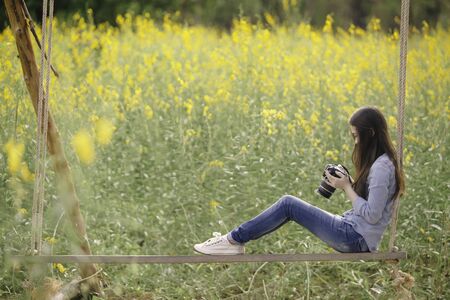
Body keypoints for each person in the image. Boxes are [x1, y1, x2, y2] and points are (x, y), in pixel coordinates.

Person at [194, 106, 405, 255]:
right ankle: (234, 240)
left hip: (355, 237)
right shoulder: (381, 163)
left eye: (357, 136)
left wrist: (347, 188)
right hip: (353, 231)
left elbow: (373, 214)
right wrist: (348, 181)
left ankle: (232, 240)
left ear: (371, 133)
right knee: (289, 205)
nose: (356, 142)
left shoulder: (380, 168)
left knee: (288, 204)